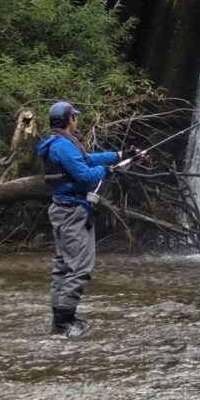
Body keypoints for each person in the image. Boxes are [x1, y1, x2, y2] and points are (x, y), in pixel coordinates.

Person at [37, 101, 133, 337]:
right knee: (80, 267)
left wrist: (120, 155)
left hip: (63, 209)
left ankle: (60, 318)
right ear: (69, 119)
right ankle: (64, 323)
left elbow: (87, 159)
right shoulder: (64, 146)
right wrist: (107, 171)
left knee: (63, 265)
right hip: (72, 212)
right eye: (75, 117)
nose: (77, 121)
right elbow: (84, 176)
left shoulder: (57, 143)